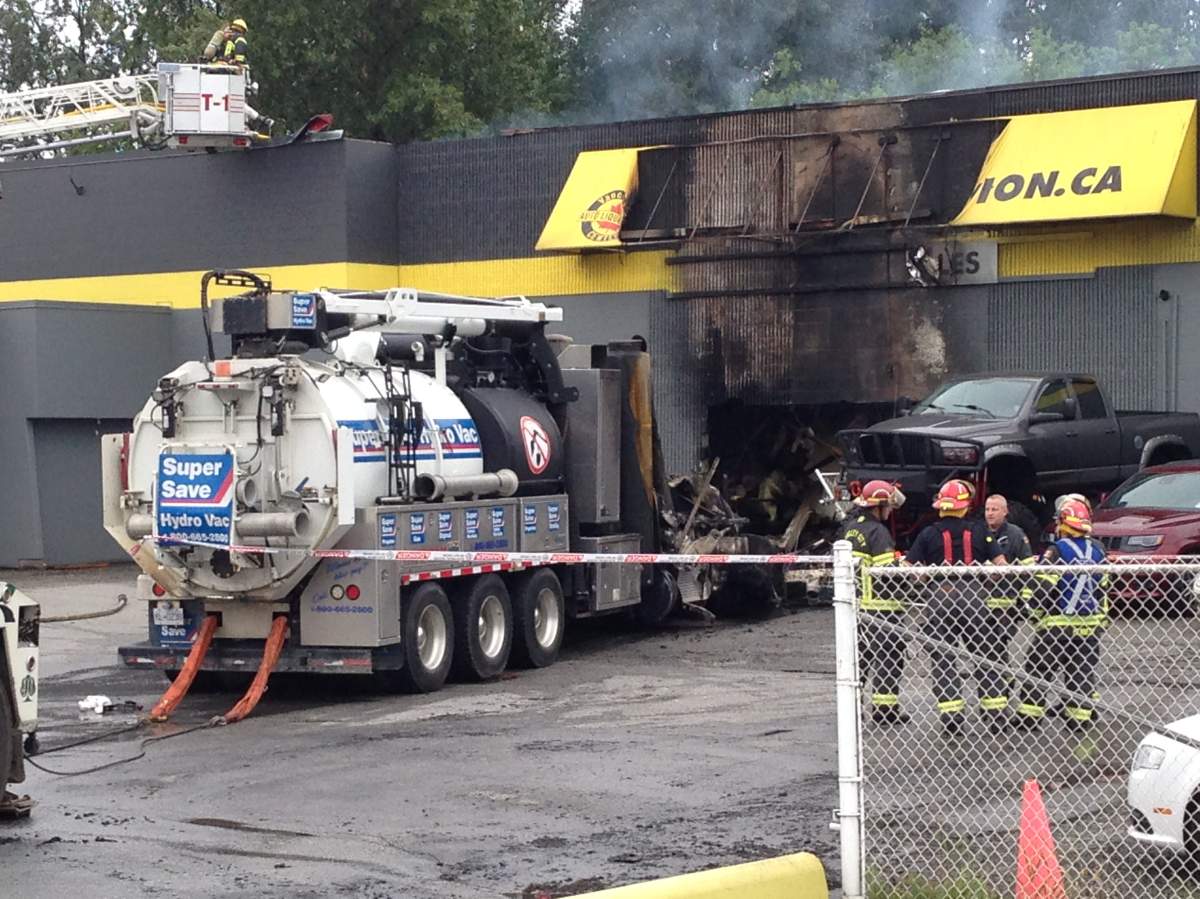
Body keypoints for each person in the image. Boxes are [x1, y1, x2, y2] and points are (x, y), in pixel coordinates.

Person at [905, 478, 1007, 734]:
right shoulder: (981, 530)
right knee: (986, 656)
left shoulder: (928, 533)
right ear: (965, 505)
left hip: (939, 597)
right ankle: (994, 714)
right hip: (974, 596)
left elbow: (911, 571)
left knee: (943, 659)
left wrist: (928, 576)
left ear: (941, 505)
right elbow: (1000, 567)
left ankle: (952, 716)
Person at [1015, 498, 1107, 731]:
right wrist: (1101, 620)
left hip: (1056, 624)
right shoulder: (1098, 551)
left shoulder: (1057, 550)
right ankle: (1079, 718)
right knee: (1081, 671)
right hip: (1090, 625)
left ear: (1064, 524)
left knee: (1038, 669)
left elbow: (1042, 587)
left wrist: (1031, 611)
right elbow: (1103, 590)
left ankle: (1030, 716)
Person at [838, 480, 908, 725]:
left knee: (860, 659)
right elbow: (887, 572)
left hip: (854, 607)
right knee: (889, 657)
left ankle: (853, 707)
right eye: (887, 506)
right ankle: (885, 710)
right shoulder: (878, 532)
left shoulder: (850, 528)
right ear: (878, 506)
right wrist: (907, 573)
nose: (890, 511)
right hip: (880, 607)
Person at [980, 495, 1036, 716]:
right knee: (991, 651)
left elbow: (1028, 570)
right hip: (978, 607)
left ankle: (999, 691)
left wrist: (1028, 602)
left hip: (1006, 607)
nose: (990, 513)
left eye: (994, 509)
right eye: (987, 509)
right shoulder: (978, 532)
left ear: (1005, 512)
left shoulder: (1015, 535)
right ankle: (1006, 680)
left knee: (993, 648)